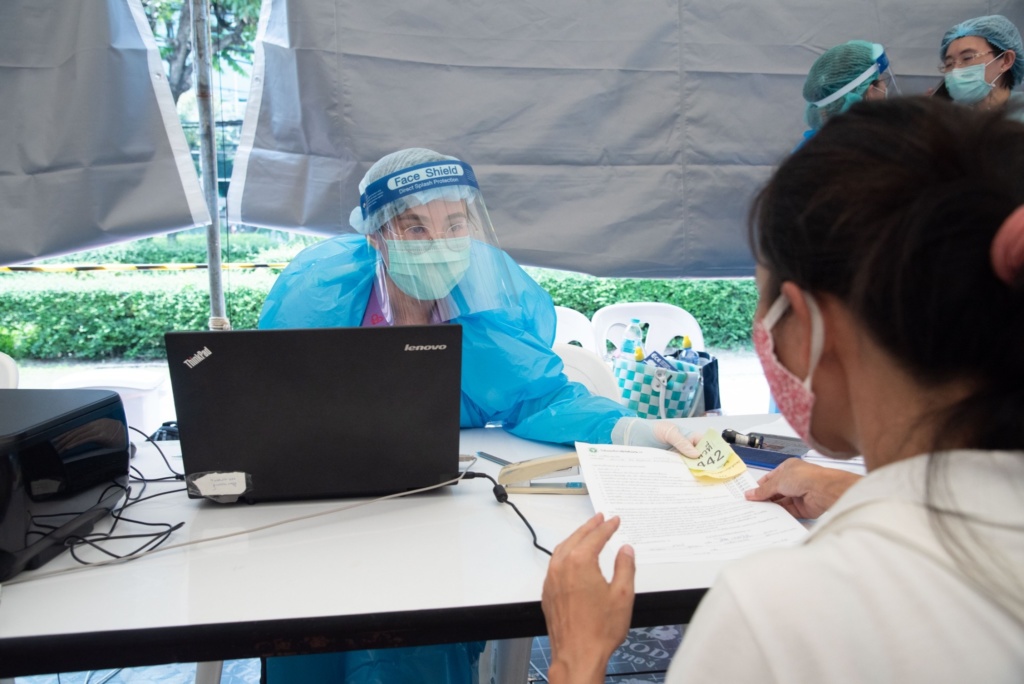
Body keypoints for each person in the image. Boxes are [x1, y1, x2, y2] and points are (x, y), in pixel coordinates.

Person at [541, 97, 1024, 682]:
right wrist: (856, 493)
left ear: (815, 325)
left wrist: (577, 656)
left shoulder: (781, 619)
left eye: (763, 303)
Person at [259, 148, 691, 682]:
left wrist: (633, 428)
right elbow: (270, 401)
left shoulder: (480, 307)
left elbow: (539, 396)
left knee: (413, 638)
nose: (440, 244)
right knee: (311, 631)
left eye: (454, 224)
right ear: (377, 237)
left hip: (433, 516)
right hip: (322, 510)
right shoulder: (322, 298)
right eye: (414, 228)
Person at [798, 40, 894, 147]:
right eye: (881, 79)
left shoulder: (811, 149)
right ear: (870, 91)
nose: (885, 87)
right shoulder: (873, 153)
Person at [937, 14, 1024, 121]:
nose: (955, 70)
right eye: (949, 64)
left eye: (967, 58)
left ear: (1006, 60)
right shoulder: (946, 119)